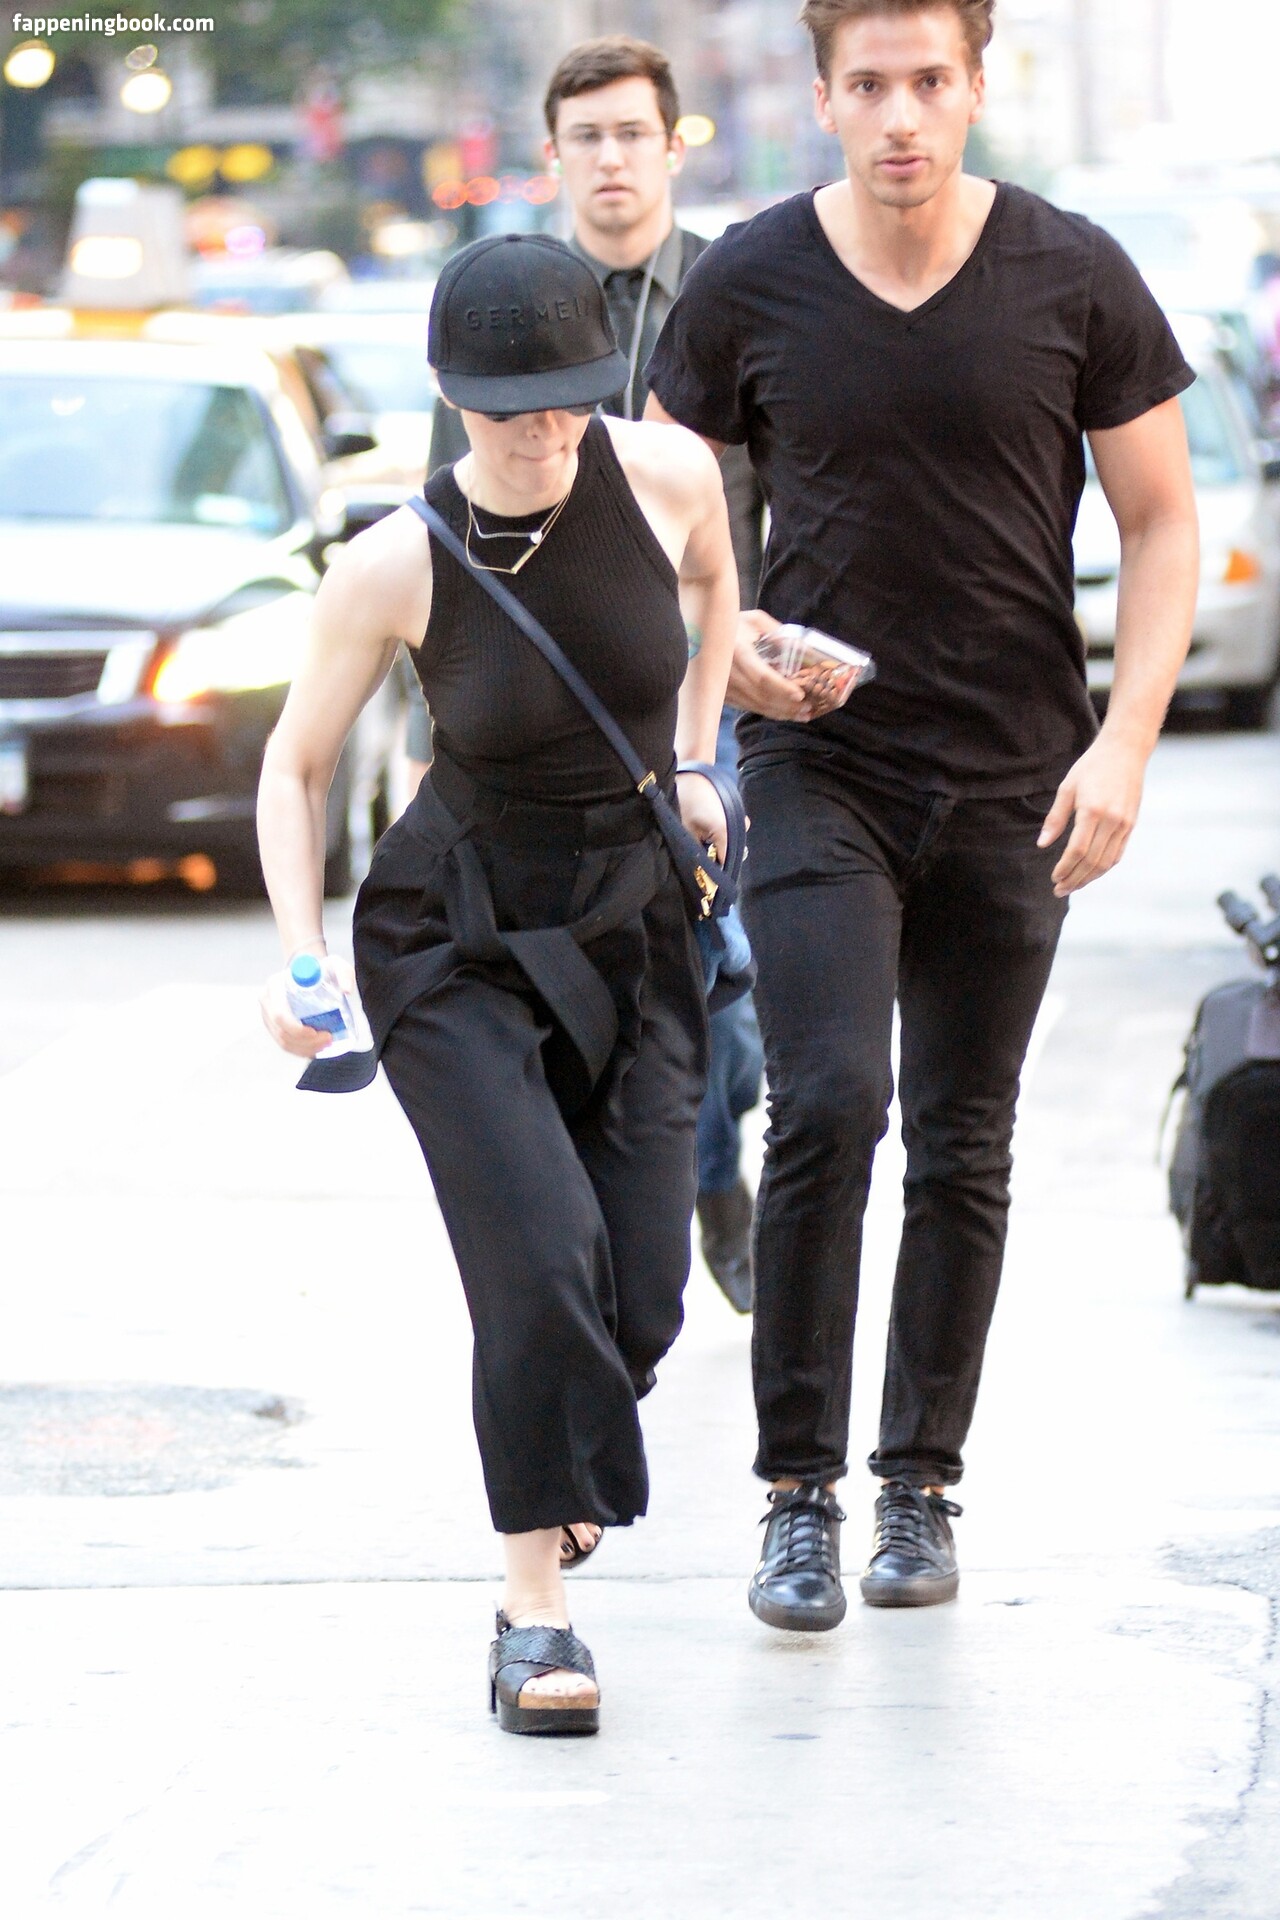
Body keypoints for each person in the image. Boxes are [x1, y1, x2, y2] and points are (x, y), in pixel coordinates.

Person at [646, 0, 1200, 1629]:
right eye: (871, 84)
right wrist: (729, 641)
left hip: (1020, 773)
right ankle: (796, 1498)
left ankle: (918, 1486)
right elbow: (660, 513)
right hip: (821, 765)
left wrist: (1125, 746)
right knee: (829, 1100)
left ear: (973, 87)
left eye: (929, 82)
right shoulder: (750, 279)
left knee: (965, 1135)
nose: (901, 114)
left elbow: (1164, 523)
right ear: (824, 95)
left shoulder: (1073, 274)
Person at [259, 234, 737, 1729]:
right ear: (452, 396)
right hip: (455, 940)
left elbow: (717, 590)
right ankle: (535, 1613)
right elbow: (295, 766)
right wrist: (297, 953)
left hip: (632, 920)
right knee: (536, 1262)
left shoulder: (667, 479)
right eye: (510, 410)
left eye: (569, 400)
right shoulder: (392, 563)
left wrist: (696, 759)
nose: (543, 434)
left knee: (640, 1295)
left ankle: (562, 1449)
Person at [412, 34, 766, 1311]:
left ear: (673, 146)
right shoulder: (502, 296)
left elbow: (781, 484)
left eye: (631, 134)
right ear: (553, 154)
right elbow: (446, 518)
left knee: (724, 971)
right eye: (586, 137)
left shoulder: (733, 291)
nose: (610, 159)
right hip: (559, 706)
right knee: (645, 973)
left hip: (709, 681)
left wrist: (766, 636)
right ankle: (669, 1184)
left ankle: (703, 1161)